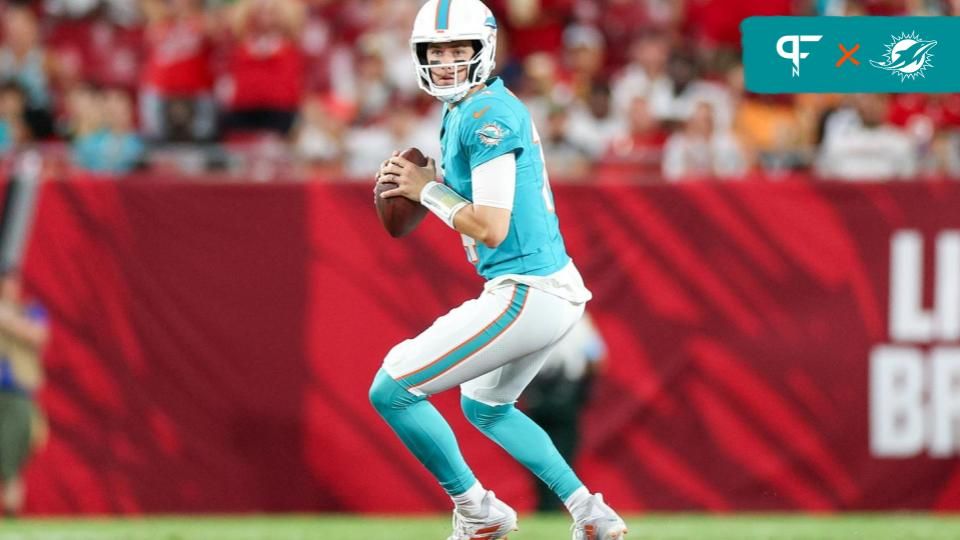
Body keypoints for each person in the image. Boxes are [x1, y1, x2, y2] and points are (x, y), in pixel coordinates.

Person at [369, 2, 627, 539]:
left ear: (482, 49)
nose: (445, 61)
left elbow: (488, 226)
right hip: (546, 290)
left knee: (392, 389)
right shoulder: (467, 110)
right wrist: (433, 189)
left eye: (456, 49)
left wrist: (427, 190)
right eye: (435, 51)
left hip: (526, 290)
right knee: (485, 406)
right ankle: (591, 514)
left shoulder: (485, 112)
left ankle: (478, 510)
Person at [521, 312, 607, 513]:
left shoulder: (533, 319)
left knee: (535, 450)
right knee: (564, 450)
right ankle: (560, 503)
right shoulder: (579, 320)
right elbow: (597, 357)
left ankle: (545, 503)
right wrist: (587, 387)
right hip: (566, 393)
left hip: (536, 392)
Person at [0, 269, 49, 517]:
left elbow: (38, 335)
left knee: (10, 457)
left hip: (17, 394)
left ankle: (11, 515)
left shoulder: (31, 311)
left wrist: (6, 318)